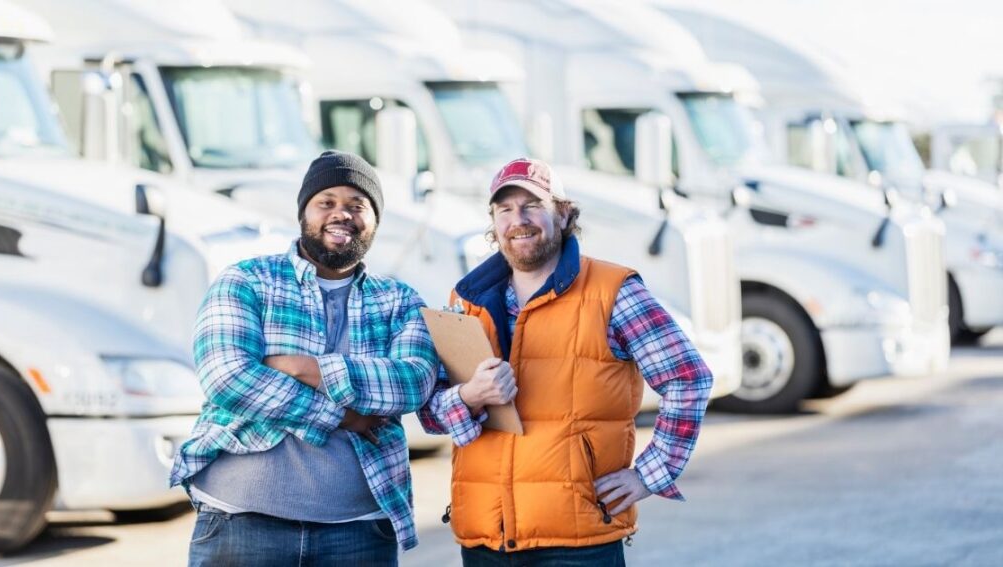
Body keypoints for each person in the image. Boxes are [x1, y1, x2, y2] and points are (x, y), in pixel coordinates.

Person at [419, 157, 713, 566]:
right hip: (487, 539)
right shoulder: (465, 302)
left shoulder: (613, 293)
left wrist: (652, 473)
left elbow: (689, 377)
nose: (518, 220)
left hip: (578, 542)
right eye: (504, 209)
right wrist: (469, 396)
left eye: (531, 205)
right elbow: (430, 414)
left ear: (563, 213)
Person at [170, 150, 437, 566]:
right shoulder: (246, 280)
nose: (341, 214)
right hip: (241, 524)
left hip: (358, 533)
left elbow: (413, 383)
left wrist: (303, 367)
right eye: (326, 202)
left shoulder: (399, 301)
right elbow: (228, 379)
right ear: (303, 213)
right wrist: (343, 416)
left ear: (375, 220)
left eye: (356, 204)